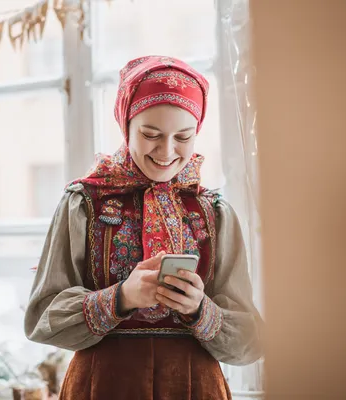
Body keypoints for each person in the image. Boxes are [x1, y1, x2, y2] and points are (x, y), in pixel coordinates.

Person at [24, 55, 263, 400]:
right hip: (102, 387)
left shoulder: (216, 212)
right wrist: (121, 297)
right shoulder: (83, 203)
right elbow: (40, 317)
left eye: (184, 137)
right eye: (151, 134)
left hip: (196, 388)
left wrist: (199, 308)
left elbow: (250, 342)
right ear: (126, 127)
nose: (167, 151)